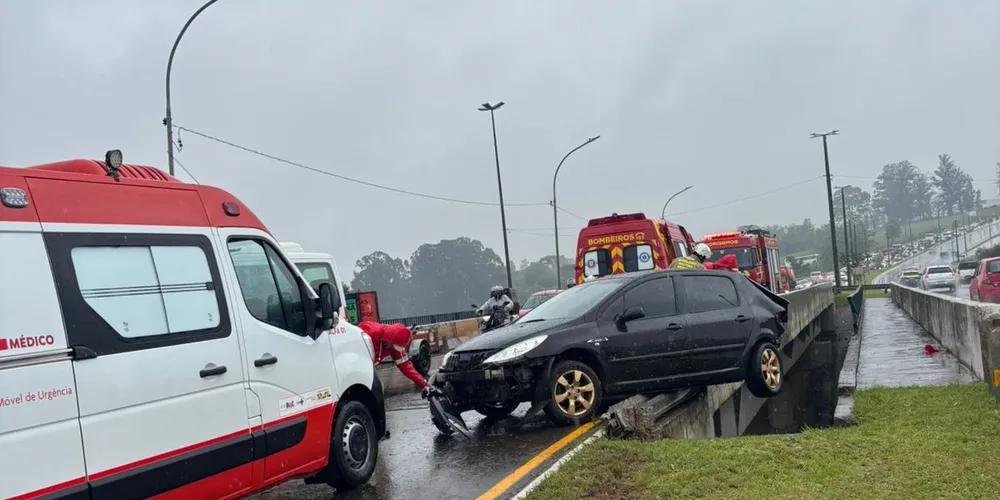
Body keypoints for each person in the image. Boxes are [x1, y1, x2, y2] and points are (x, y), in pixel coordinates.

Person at [357, 321, 433, 396]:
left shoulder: (394, 344)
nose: (392, 348)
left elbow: (406, 366)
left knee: (376, 390)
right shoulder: (370, 332)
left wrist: (423, 385)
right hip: (355, 364)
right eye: (393, 346)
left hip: (366, 369)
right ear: (389, 339)